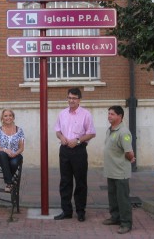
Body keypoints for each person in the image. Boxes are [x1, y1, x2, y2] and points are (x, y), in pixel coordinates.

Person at [54, 87, 96, 222]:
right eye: (69, 98)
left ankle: (80, 211)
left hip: (79, 151)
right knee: (65, 182)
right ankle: (66, 211)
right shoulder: (62, 114)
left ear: (79, 100)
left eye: (74, 98)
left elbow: (91, 133)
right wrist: (61, 137)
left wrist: (78, 141)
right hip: (65, 150)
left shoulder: (86, 114)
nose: (71, 100)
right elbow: (58, 130)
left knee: (80, 182)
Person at [102, 105, 136, 234]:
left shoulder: (124, 132)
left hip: (120, 171)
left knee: (123, 199)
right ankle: (115, 217)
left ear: (120, 116)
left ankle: (126, 223)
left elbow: (129, 152)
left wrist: (131, 157)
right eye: (109, 113)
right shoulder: (110, 130)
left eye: (112, 114)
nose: (109, 116)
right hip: (111, 171)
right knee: (113, 197)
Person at [0, 109, 25, 192]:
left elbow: (21, 148)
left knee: (14, 162)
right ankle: (9, 183)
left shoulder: (19, 130)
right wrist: (5, 150)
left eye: (10, 115)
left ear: (13, 117)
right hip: (1, 155)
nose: (8, 117)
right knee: (3, 154)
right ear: (2, 118)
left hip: (15, 155)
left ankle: (8, 179)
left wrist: (15, 153)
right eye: (5, 116)